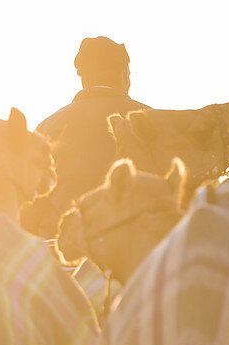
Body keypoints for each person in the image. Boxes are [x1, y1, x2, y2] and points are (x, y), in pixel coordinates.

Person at [26, 36, 150, 237]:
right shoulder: (149, 121)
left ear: (83, 78)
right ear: (123, 75)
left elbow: (31, 197)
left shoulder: (48, 127)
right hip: (136, 247)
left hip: (65, 246)